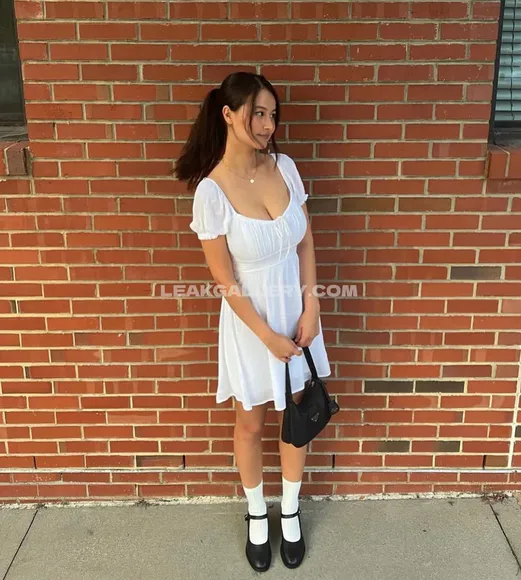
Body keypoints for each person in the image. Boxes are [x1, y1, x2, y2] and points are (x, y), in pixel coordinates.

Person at [173, 72, 331, 572]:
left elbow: (305, 241)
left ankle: (291, 510)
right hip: (250, 325)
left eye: (272, 115)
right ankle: (258, 513)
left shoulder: (285, 167)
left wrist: (312, 305)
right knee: (251, 420)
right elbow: (225, 281)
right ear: (227, 114)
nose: (267, 125)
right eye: (257, 113)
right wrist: (267, 337)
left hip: (298, 316)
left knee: (299, 411)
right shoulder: (211, 192)